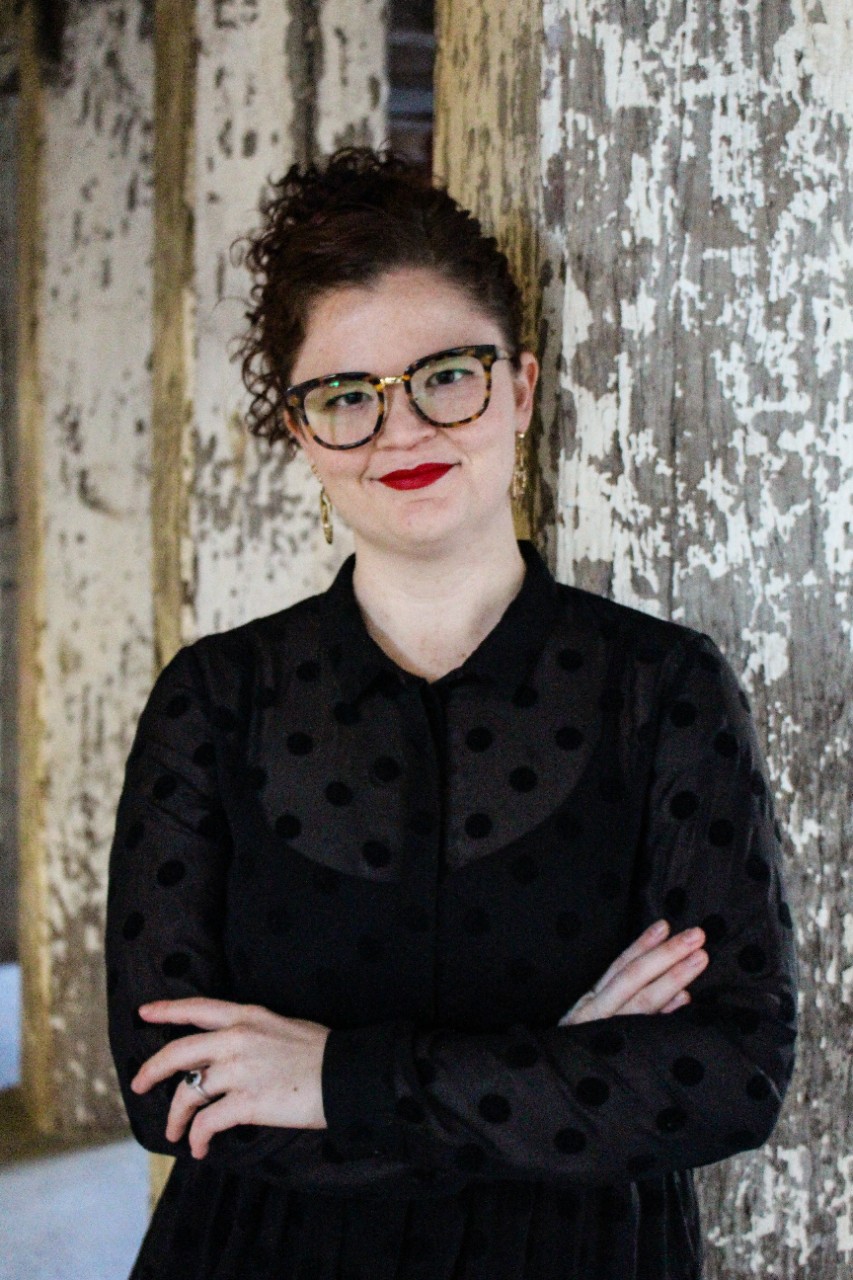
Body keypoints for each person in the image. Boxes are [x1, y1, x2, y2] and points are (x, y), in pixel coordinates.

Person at [105, 148, 798, 1280]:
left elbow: (729, 1072)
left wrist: (331, 1079)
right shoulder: (214, 698)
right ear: (300, 432)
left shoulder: (662, 685)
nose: (402, 429)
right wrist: (557, 1073)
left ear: (518, 388)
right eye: (346, 396)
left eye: (445, 375)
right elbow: (169, 1090)